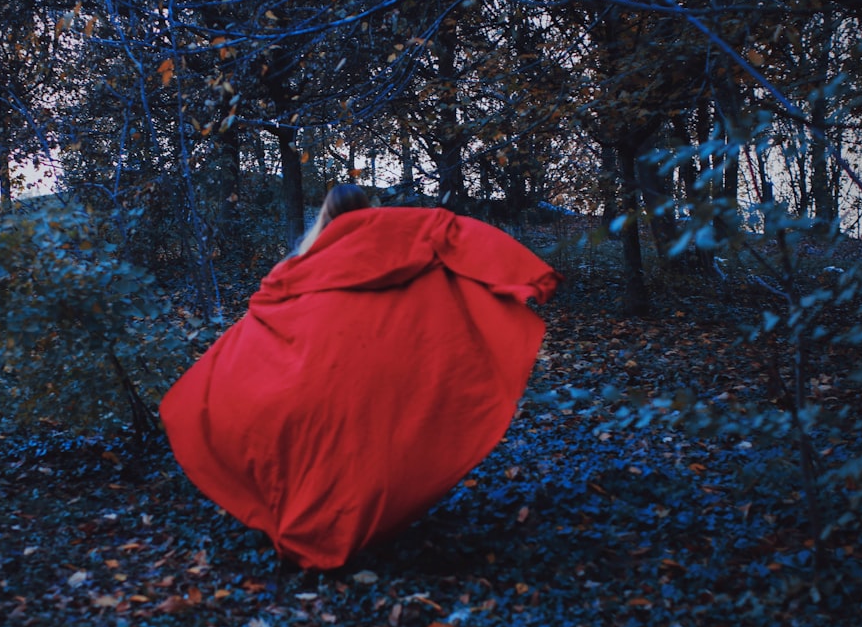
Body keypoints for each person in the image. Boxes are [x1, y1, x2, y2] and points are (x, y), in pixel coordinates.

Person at [160, 185, 561, 569]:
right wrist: (526, 275)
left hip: (307, 381)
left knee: (305, 453)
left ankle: (304, 523)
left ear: (325, 215)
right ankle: (339, 527)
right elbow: (459, 232)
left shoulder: (301, 264)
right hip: (371, 383)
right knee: (362, 454)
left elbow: (265, 306)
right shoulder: (409, 240)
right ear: (367, 207)